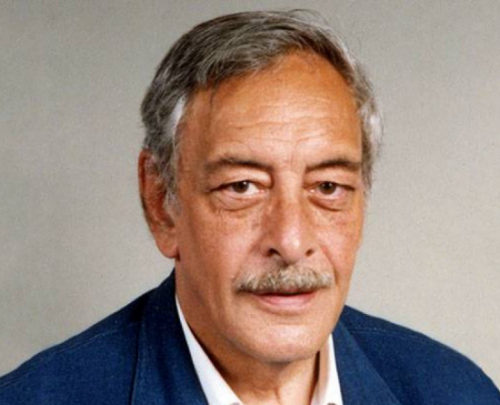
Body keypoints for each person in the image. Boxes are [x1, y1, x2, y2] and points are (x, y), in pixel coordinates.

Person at [0, 10, 498, 405]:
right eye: (242, 187)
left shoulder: (457, 392)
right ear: (161, 203)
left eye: (327, 187)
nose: (291, 241)